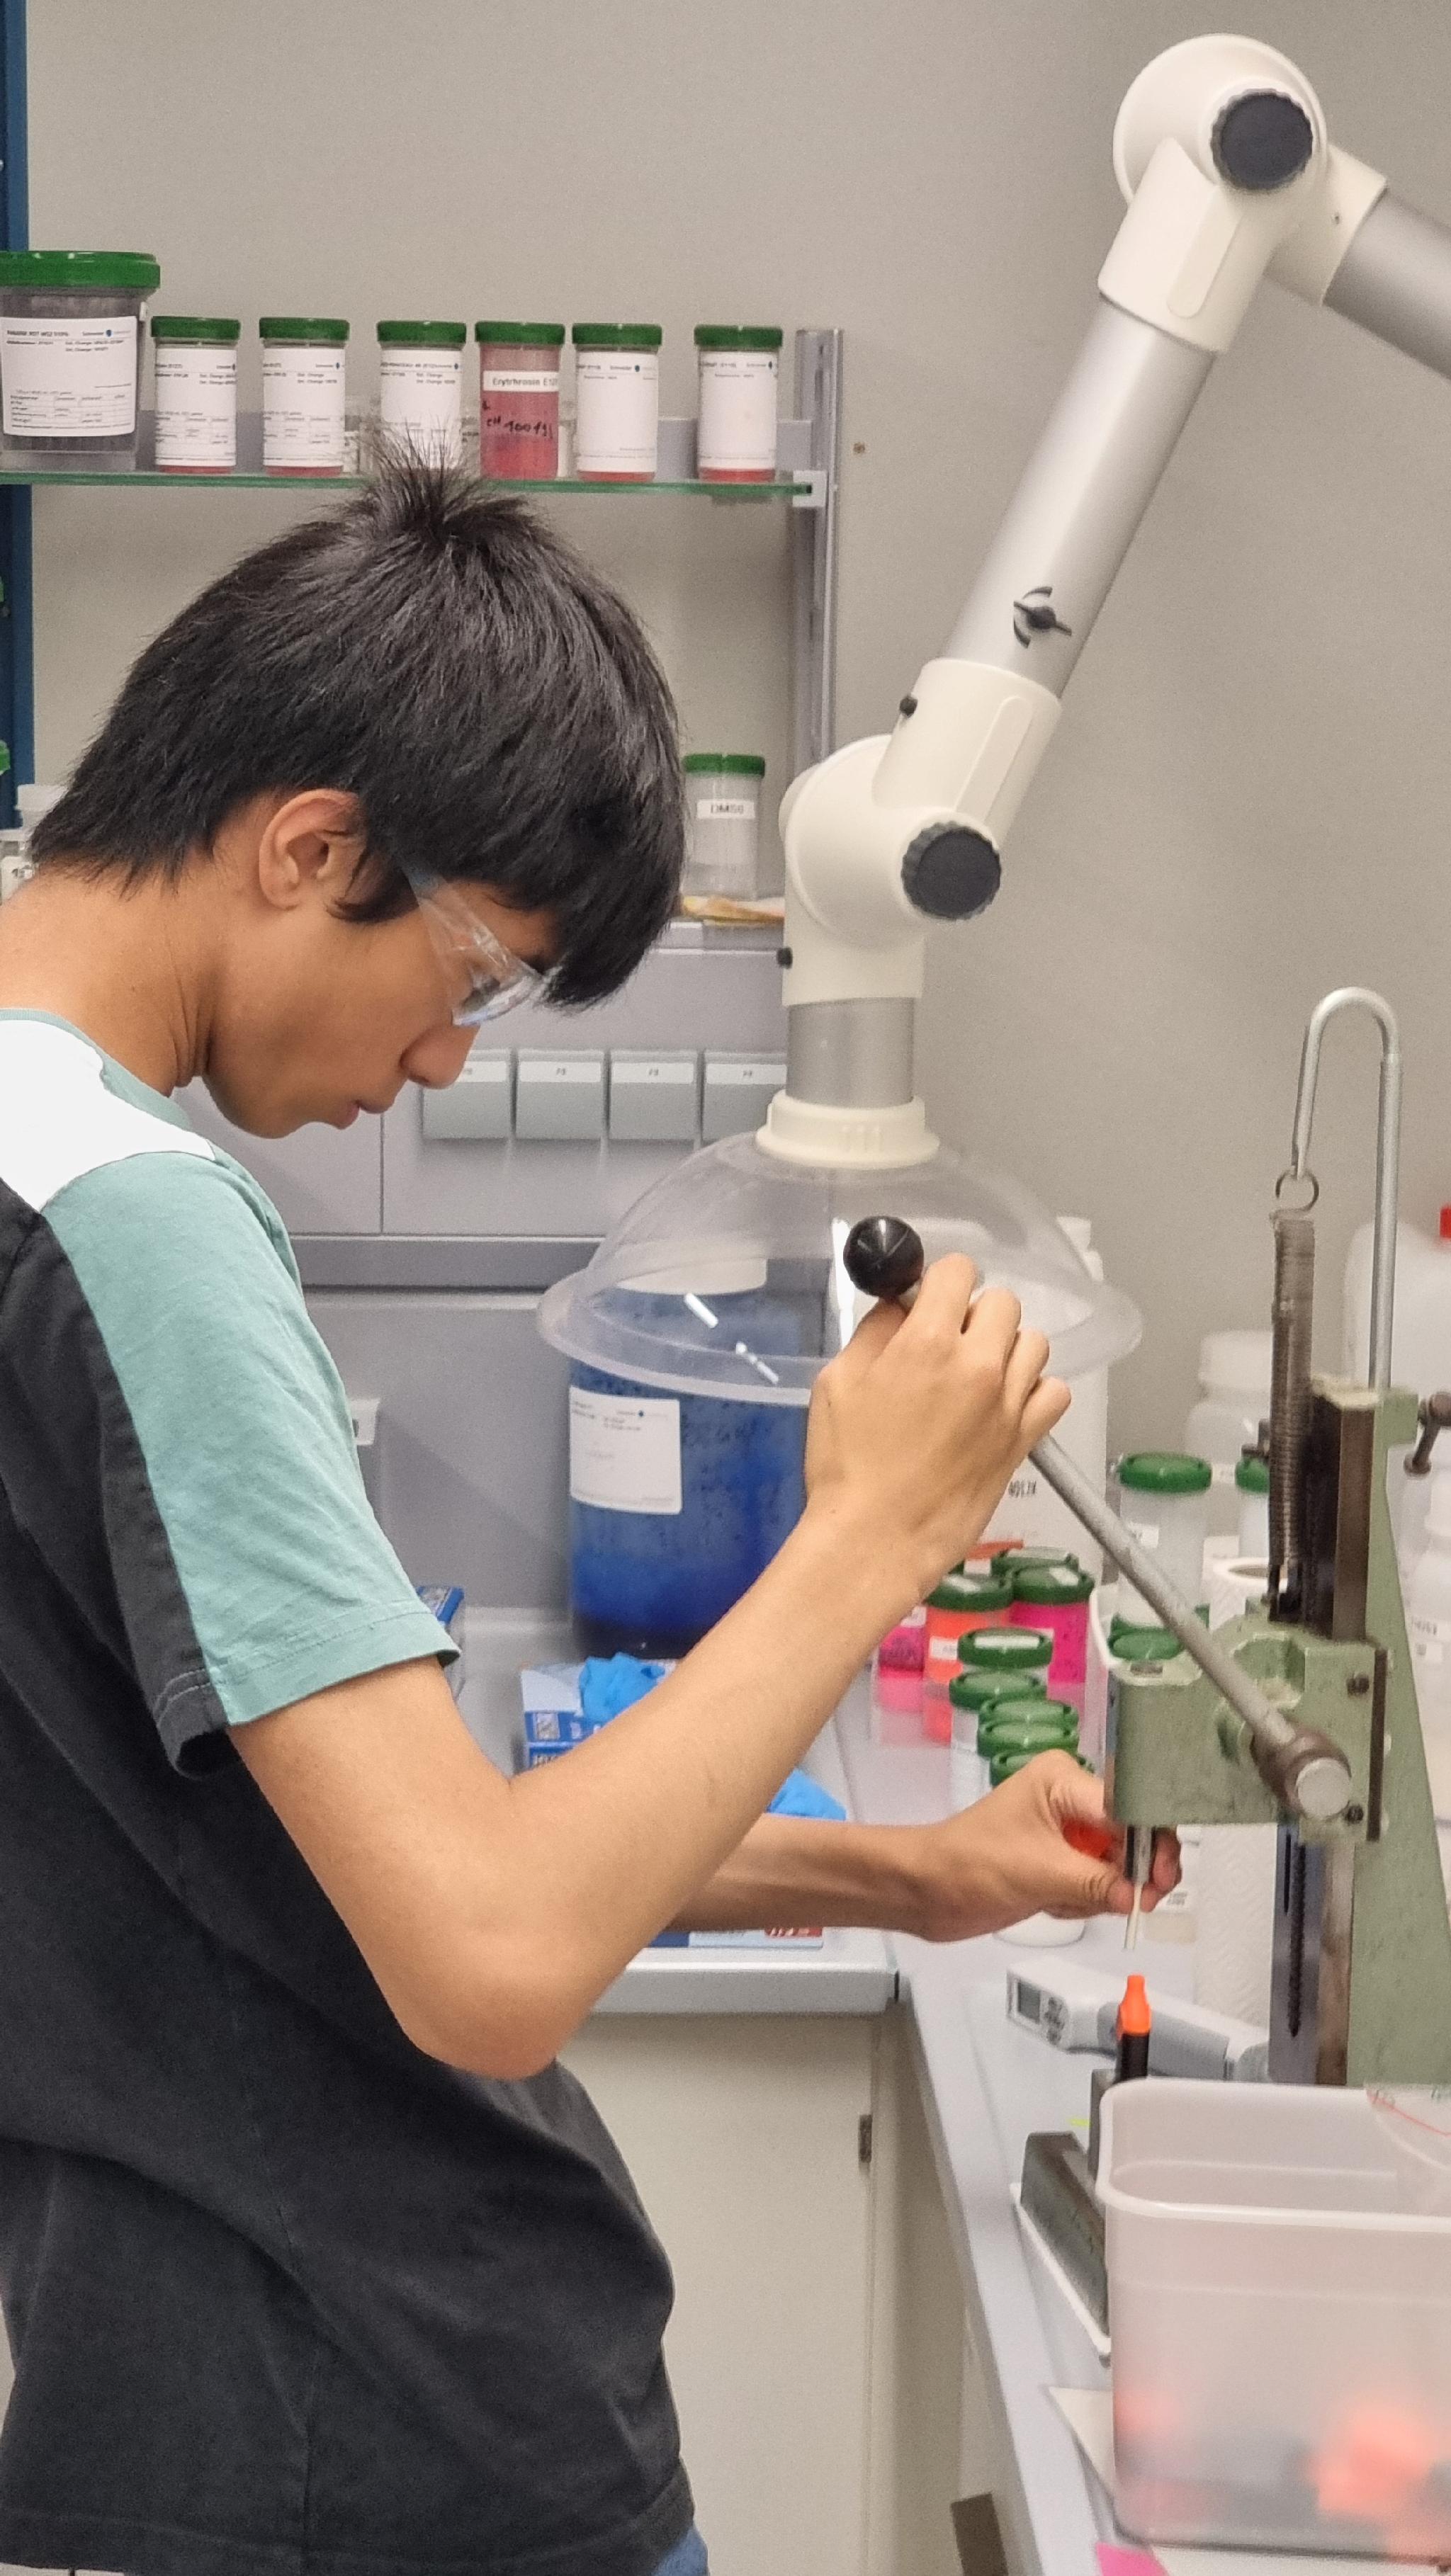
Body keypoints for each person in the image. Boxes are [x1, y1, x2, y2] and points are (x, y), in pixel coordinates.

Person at [0, 462, 1174, 2576]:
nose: (449, 1059)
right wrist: (870, 1534)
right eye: (472, 975)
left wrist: (901, 1876)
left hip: (194, 2412)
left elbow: (327, 1860)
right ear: (310, 846)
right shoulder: (143, 1228)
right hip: (388, 2431)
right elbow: (492, 1956)